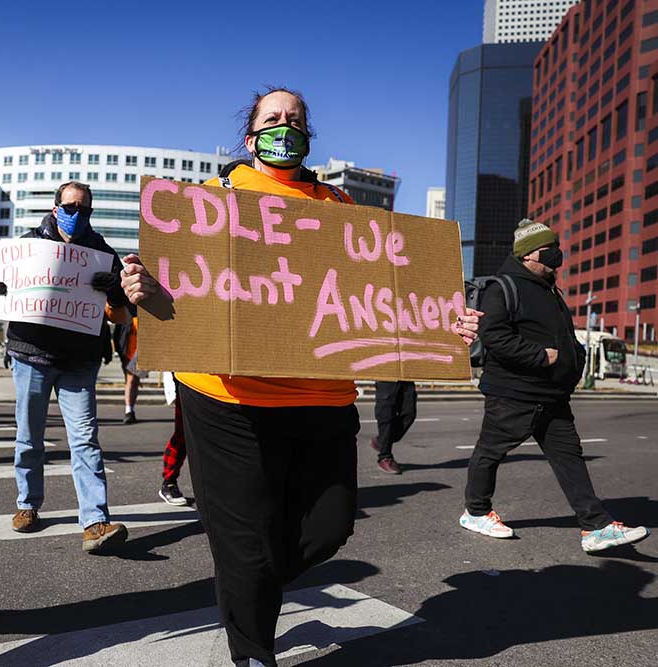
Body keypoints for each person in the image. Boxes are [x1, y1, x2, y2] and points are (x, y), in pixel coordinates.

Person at [120, 87, 482, 667]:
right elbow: (172, 284)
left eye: (294, 119)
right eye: (272, 119)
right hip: (226, 397)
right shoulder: (213, 198)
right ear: (250, 136)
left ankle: (252, 584)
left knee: (329, 528)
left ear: (308, 134)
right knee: (244, 542)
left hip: (321, 397)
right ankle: (252, 650)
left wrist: (445, 325)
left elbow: (386, 291)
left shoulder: (338, 205)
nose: (283, 126)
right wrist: (139, 289)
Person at [460, 218, 649, 553]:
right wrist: (541, 357)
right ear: (527, 256)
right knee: (490, 452)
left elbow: (564, 336)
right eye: (549, 254)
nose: (556, 260)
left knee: (570, 457)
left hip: (552, 395)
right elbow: (495, 337)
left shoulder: (549, 290)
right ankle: (475, 512)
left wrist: (572, 361)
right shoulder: (502, 287)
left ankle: (596, 526)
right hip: (513, 392)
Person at [0, 181, 132, 553]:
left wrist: (113, 292)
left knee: (85, 439)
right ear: (55, 209)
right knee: (29, 436)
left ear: (91, 213)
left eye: (84, 209)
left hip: (79, 362)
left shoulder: (102, 254)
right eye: (70, 206)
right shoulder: (27, 247)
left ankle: (95, 521)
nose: (76, 214)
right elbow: (3, 297)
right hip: (31, 355)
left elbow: (123, 315)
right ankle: (27, 505)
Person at [370, 380, 417, 474]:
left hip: (406, 376)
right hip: (386, 376)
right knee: (386, 416)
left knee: (409, 413)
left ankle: (381, 441)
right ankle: (385, 457)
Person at [113, 309, 142, 423]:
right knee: (131, 380)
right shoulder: (126, 315)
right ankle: (129, 410)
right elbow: (118, 335)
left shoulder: (145, 318)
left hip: (139, 354)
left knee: (133, 381)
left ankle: (130, 410)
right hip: (127, 353)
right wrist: (119, 351)